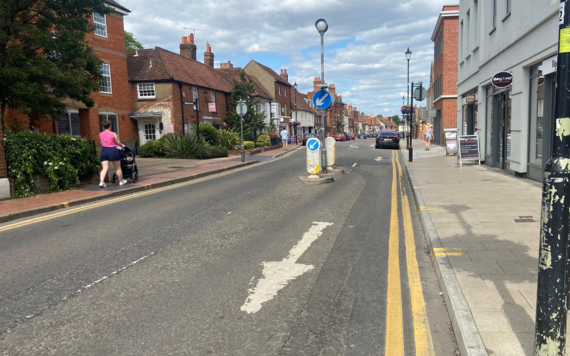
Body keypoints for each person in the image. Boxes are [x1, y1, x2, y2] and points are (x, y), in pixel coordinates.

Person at [99, 120, 127, 188]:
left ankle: (101, 182)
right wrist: (122, 145)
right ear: (110, 126)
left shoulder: (100, 134)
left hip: (104, 150)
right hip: (112, 151)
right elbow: (118, 142)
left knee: (104, 168)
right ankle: (121, 181)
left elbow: (103, 142)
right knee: (118, 168)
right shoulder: (113, 133)